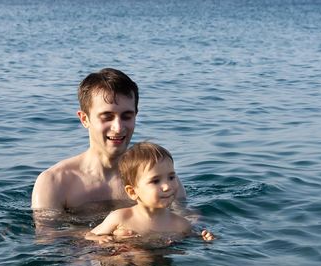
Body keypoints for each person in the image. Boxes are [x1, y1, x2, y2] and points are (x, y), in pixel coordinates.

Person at [31, 68, 186, 212]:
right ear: (84, 119)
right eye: (107, 117)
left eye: (127, 116)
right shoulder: (55, 183)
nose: (118, 127)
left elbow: (185, 219)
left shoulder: (159, 176)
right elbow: (48, 237)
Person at [85, 142, 215, 244]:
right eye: (155, 181)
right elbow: (90, 235)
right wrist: (99, 240)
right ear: (132, 192)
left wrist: (204, 238)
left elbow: (193, 239)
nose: (167, 187)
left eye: (171, 177)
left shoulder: (181, 224)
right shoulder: (120, 218)